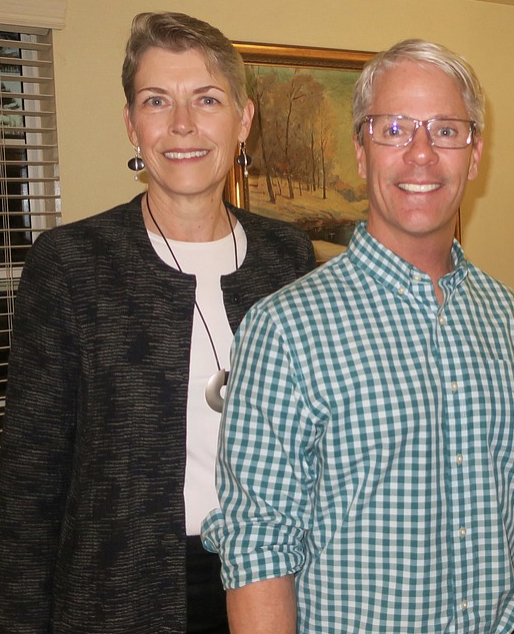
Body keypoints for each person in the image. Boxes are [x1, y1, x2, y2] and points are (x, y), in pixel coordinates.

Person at [201, 39, 514, 633]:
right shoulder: (285, 330)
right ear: (362, 152)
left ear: (474, 153)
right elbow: (258, 546)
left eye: (445, 131)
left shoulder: (512, 320)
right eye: (393, 129)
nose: (420, 155)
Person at [0, 12, 315, 633]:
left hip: (280, 583)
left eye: (206, 99)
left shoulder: (290, 259)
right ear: (130, 124)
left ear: (243, 119)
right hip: (118, 594)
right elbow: (28, 482)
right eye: (156, 101)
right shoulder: (70, 265)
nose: (182, 126)